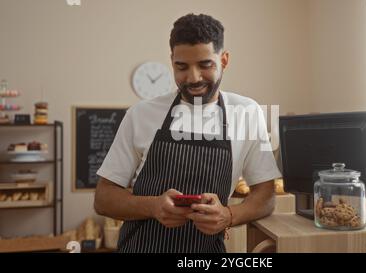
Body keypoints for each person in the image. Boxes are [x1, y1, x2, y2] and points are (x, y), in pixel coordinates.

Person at [94, 13, 281, 253]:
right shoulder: (140, 114)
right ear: (172, 60)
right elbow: (103, 198)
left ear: (224, 60)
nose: (193, 78)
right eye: (181, 67)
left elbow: (265, 195)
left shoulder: (248, 112)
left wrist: (228, 215)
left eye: (205, 65)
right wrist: (153, 206)